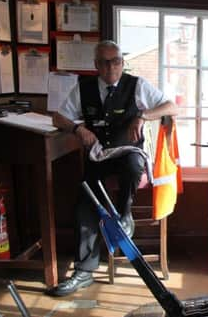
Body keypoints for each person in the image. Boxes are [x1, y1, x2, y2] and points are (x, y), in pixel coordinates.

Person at [49, 40, 177, 296]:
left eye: (116, 61)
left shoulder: (136, 85)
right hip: (99, 155)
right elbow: (58, 117)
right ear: (96, 65)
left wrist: (143, 116)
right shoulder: (83, 88)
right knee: (85, 202)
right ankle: (84, 272)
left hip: (128, 151)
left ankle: (124, 212)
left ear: (122, 62)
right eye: (105, 62)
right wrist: (77, 128)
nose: (111, 68)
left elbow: (171, 106)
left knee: (132, 165)